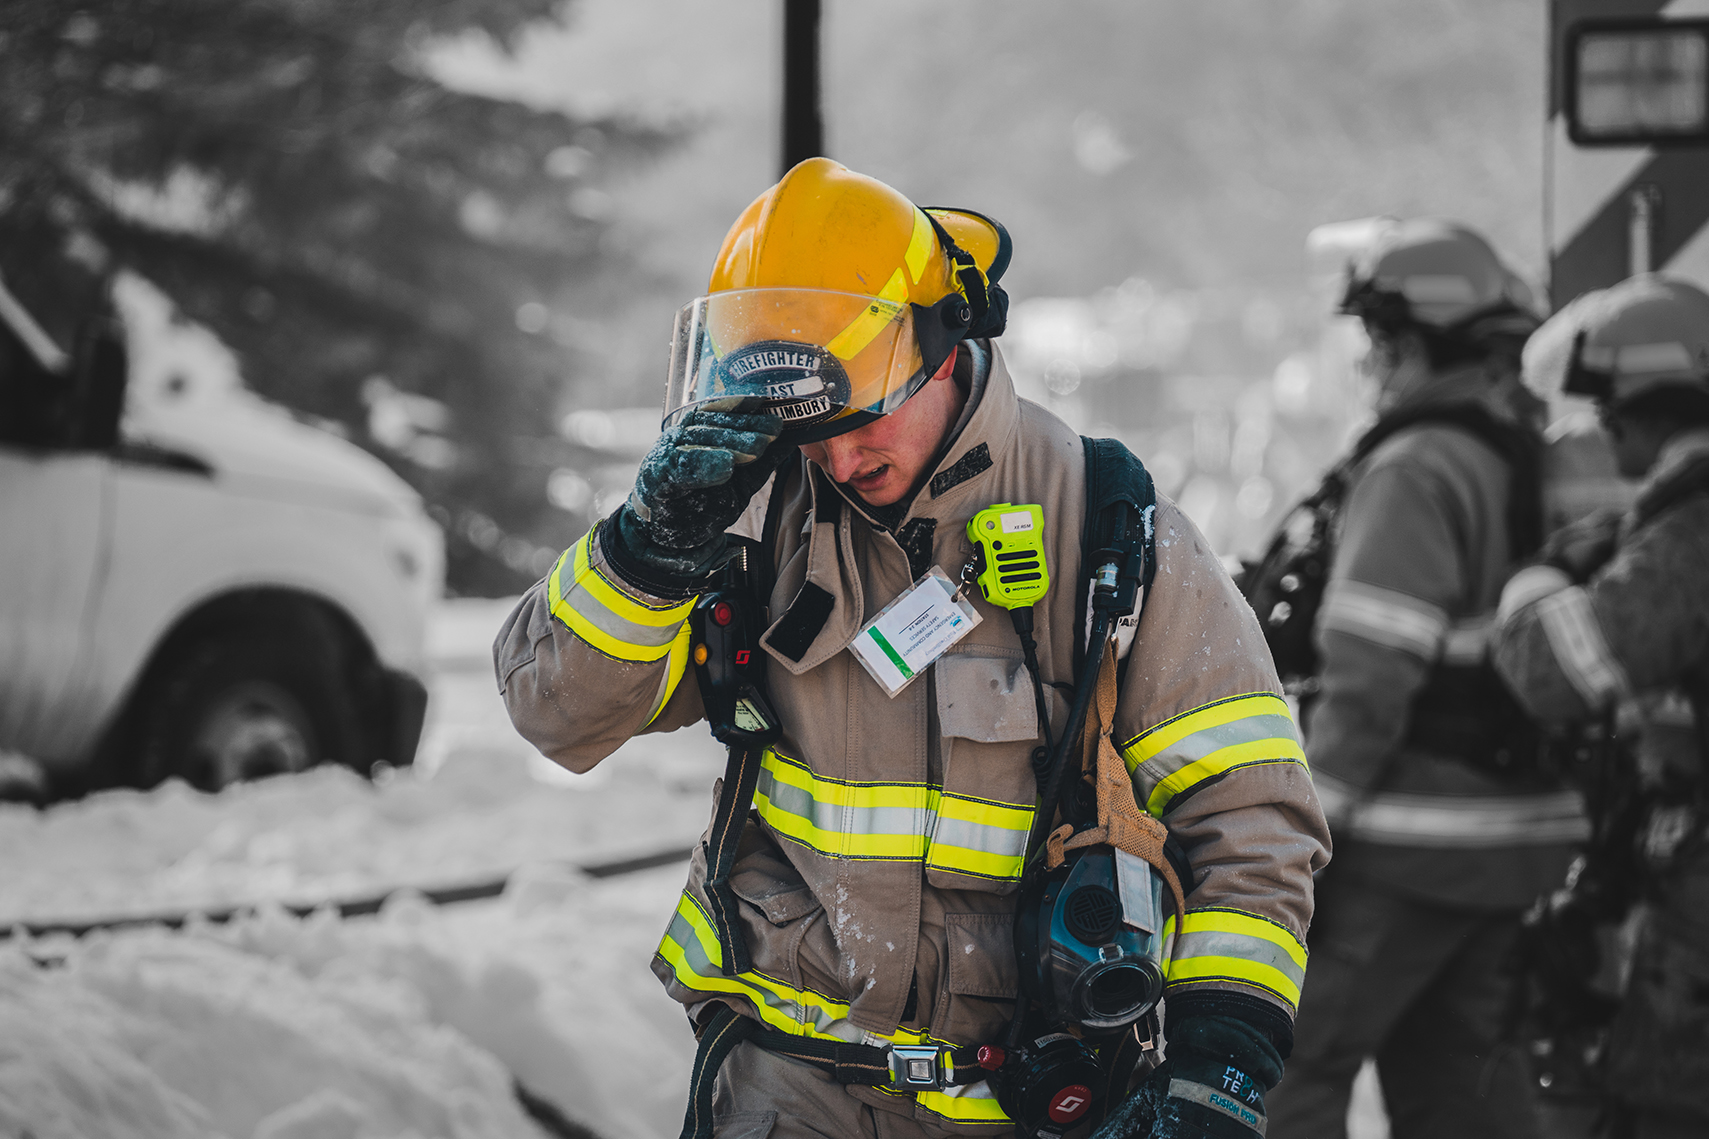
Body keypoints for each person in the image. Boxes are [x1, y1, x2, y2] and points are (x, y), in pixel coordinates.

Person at [495, 158, 1328, 1138]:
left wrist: (1212, 1074)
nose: (839, 459)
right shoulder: (749, 516)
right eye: (812, 429)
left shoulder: (1110, 527)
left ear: (943, 346)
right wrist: (645, 550)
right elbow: (554, 714)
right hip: (786, 1093)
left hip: (1026, 1104)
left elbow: (1251, 821)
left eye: (864, 418)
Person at [1260, 219, 1582, 1139]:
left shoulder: (1412, 467)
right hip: (1511, 846)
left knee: (1280, 1073)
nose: (1372, 365)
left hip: (1405, 847)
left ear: (1409, 341)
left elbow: (1369, 680)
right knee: (1464, 1095)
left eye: (1378, 342)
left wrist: (1299, 849)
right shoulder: (1526, 453)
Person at [1492, 274, 1709, 1139]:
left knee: (1664, 1103)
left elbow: (1558, 670)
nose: (1602, 426)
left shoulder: (1691, 529)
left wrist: (1535, 584)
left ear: (1650, 408)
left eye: (1610, 407)